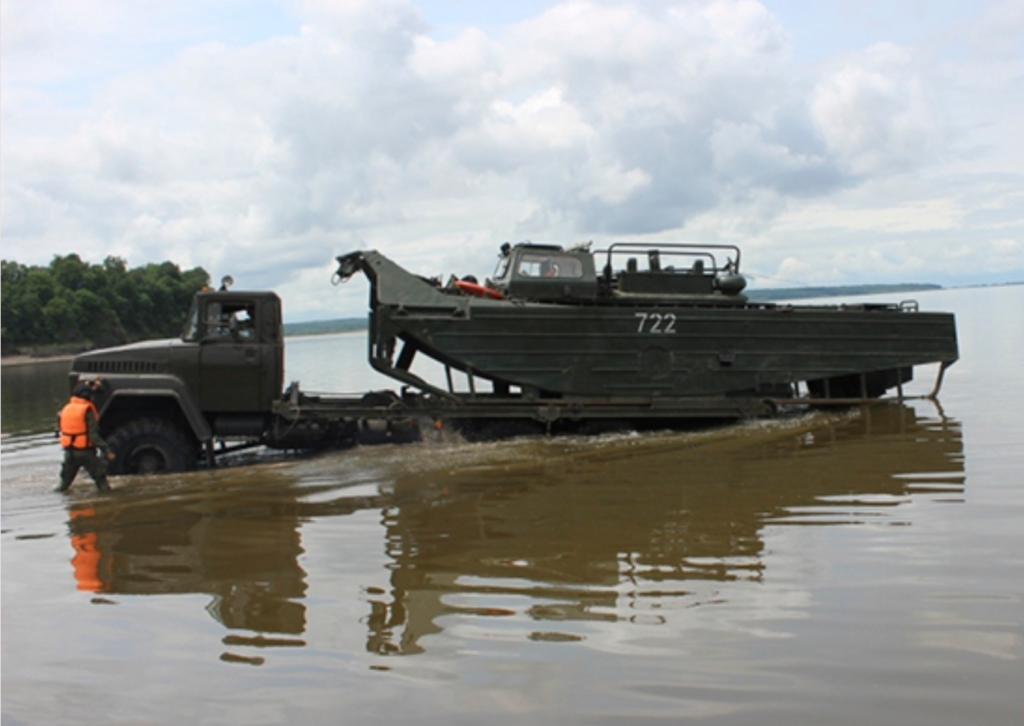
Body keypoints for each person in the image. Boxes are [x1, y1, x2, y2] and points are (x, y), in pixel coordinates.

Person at [57, 381, 115, 493]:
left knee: (64, 485)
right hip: (85, 452)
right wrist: (106, 450)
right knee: (101, 481)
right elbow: (92, 434)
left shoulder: (66, 408)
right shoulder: (86, 410)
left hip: (69, 451)